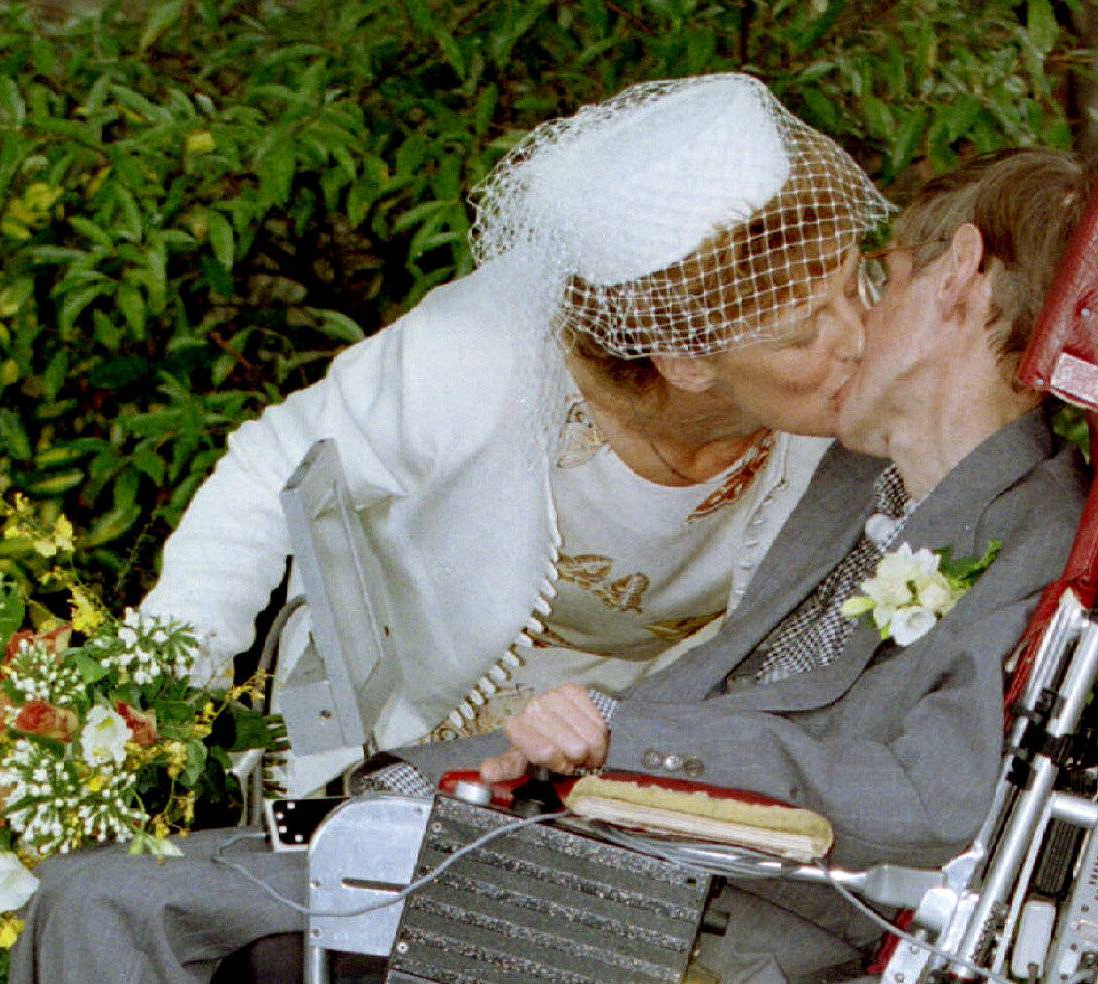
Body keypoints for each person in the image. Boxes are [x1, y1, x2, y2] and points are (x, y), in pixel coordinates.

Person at [9, 147, 1090, 984]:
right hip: (581, 837)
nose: (855, 326)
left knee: (109, 904)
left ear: (958, 281)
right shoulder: (863, 478)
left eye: (883, 277)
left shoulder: (1034, 526)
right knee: (113, 893)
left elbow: (935, 794)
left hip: (683, 904)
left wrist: (629, 742)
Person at [139, 73, 890, 794]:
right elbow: (272, 470)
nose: (860, 338)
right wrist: (161, 691)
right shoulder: (472, 356)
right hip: (408, 719)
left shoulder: (858, 369)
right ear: (684, 357)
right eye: (800, 336)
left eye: (855, 282)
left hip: (643, 745)